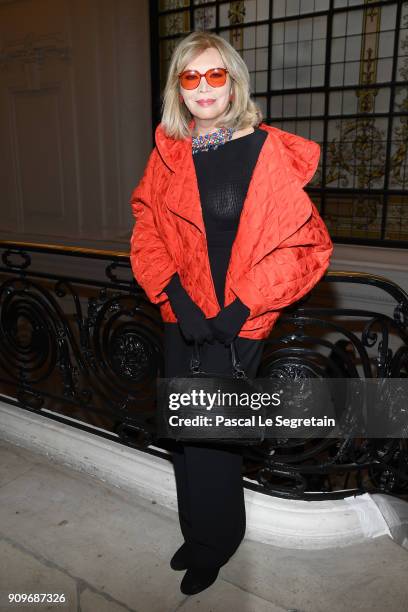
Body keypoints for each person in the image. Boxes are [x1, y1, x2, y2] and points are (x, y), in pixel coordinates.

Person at [129, 31, 333, 596]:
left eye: (215, 74)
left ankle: (216, 544)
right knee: (183, 434)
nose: (203, 87)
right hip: (181, 313)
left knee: (213, 438)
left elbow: (304, 245)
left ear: (234, 82)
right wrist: (174, 297)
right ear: (178, 88)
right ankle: (196, 531)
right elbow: (148, 230)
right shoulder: (169, 152)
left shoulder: (265, 152)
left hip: (239, 320)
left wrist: (240, 306)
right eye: (189, 77)